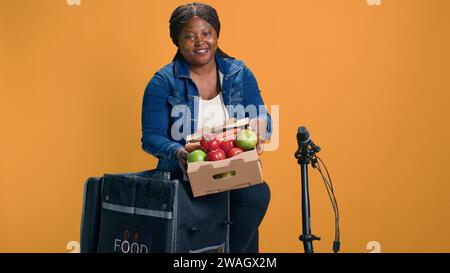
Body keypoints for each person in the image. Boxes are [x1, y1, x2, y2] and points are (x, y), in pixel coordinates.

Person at [141, 2, 272, 253]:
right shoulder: (162, 82)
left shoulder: (238, 73)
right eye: (189, 36)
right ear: (177, 42)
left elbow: (262, 115)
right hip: (186, 176)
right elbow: (151, 137)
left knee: (256, 196)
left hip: (233, 170)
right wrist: (178, 152)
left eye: (206, 33)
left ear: (216, 35)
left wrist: (261, 123)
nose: (200, 41)